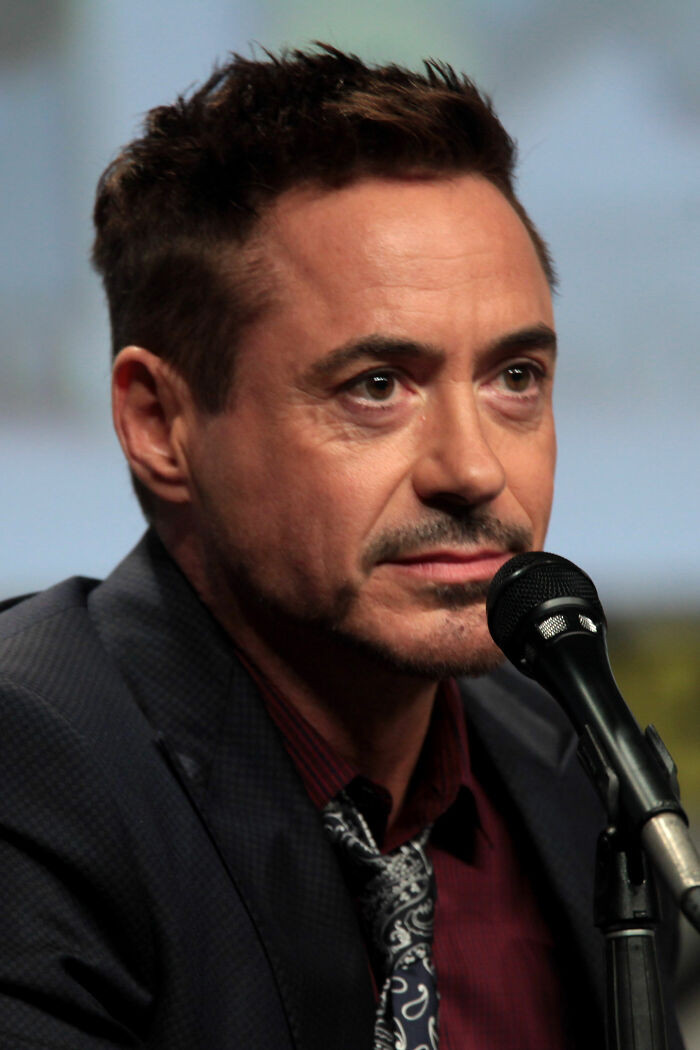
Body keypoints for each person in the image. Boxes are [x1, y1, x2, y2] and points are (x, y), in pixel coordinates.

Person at [0, 44, 684, 1049]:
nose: (472, 468)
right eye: (376, 385)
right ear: (159, 423)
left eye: (514, 378)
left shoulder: (569, 769)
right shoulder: (34, 769)